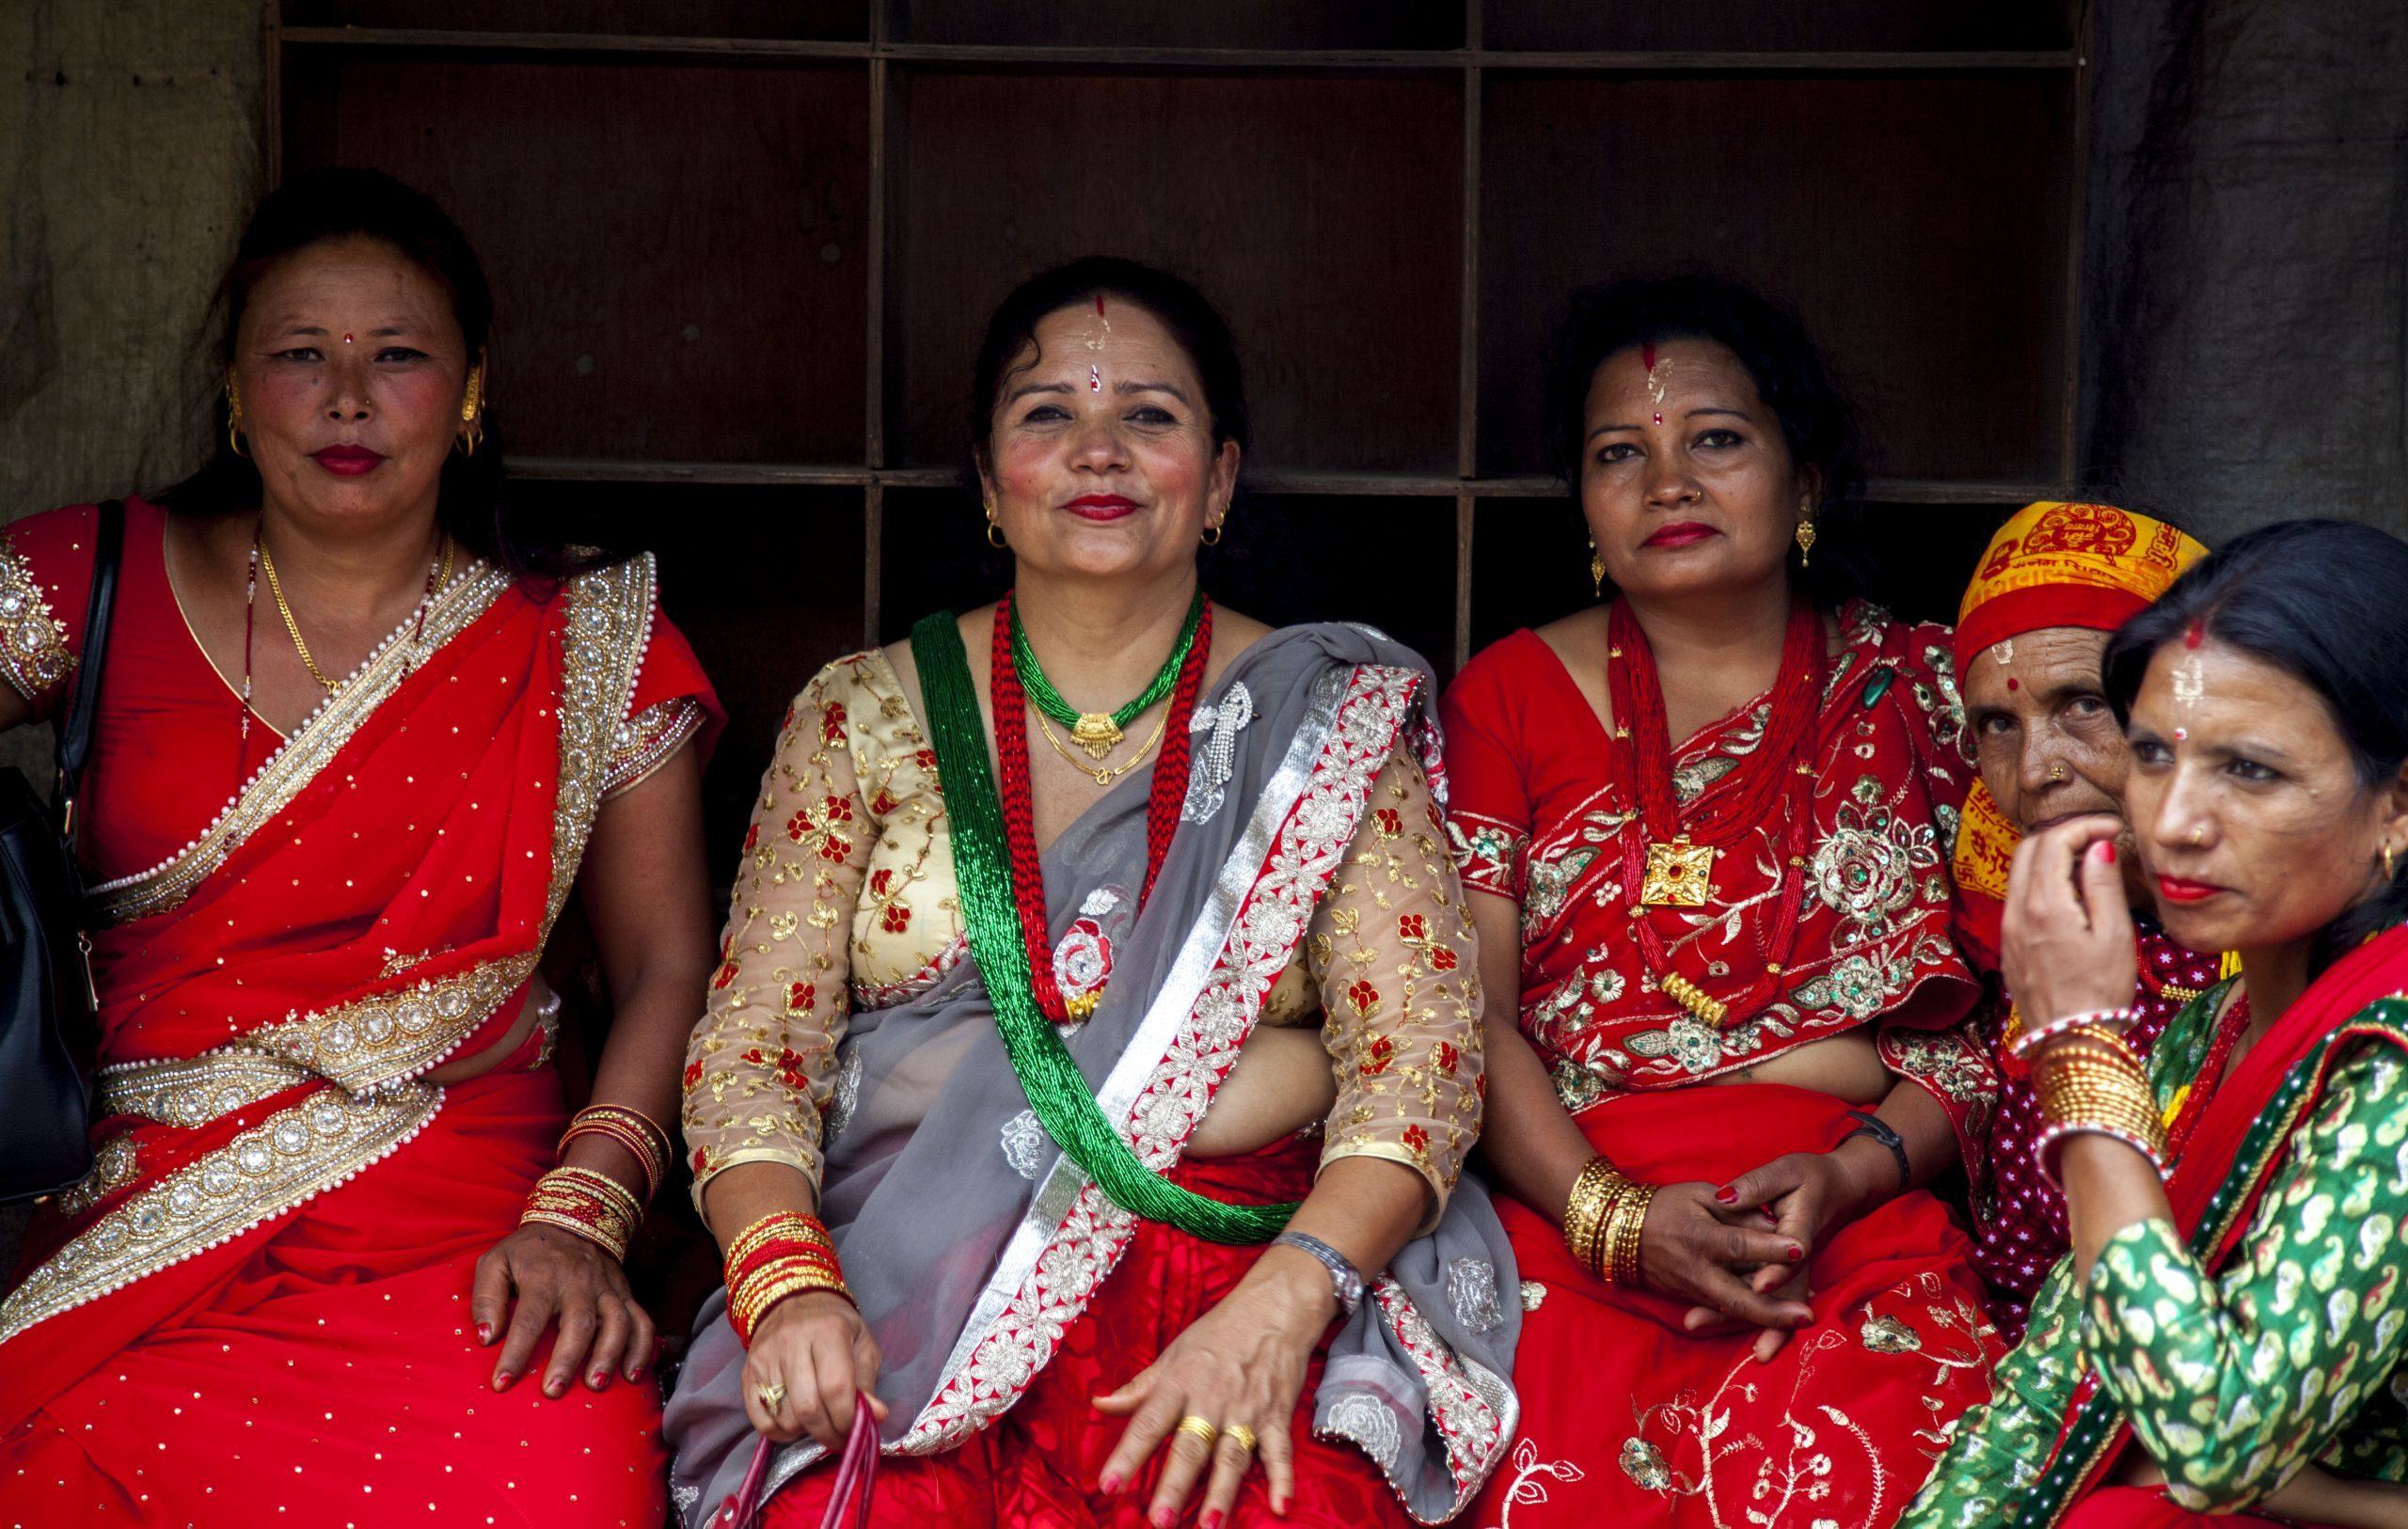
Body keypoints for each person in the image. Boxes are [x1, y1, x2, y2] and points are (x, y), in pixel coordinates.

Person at [664, 259, 1516, 1529]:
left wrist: (1280, 1312)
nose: (1098, 451)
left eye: (1151, 417)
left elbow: (1424, 1062)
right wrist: (788, 1285)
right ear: (990, 483)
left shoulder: (1320, 726)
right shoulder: (862, 715)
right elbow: (753, 1053)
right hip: (909, 1280)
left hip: (1246, 1270)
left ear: (1219, 479)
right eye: (1047, 413)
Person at [0, 169, 721, 1526]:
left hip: (483, 1227)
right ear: (233, 386)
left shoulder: (586, 639)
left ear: (468, 392)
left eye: (396, 357)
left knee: (564, 1485)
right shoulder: (91, 573)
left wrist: (587, 1212)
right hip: (157, 1209)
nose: (346, 397)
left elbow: (671, 963)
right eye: (298, 356)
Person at [1446, 275, 2002, 1527]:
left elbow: (1994, 1036)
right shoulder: (1510, 696)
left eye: (1716, 438)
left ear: (1805, 481)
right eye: (1618, 454)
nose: (1669, 481)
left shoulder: (1920, 694)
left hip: (1852, 1225)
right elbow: (1462, 1022)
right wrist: (1614, 1220)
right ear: (1586, 505)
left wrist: (1849, 1180)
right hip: (1566, 1223)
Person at [1902, 519, 2408, 1529]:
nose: (2172, 819)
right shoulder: (2210, 1034)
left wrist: (2081, 1054)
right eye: (2151, 754)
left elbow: (2213, 1441)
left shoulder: (2389, 1057)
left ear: (2397, 805)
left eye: (2248, 771)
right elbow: (2051, 1386)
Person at [1948, 500, 2222, 1340]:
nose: (2035, 772)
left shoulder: (2288, 957)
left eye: (2083, 705)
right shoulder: (2011, 949)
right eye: (1999, 724)